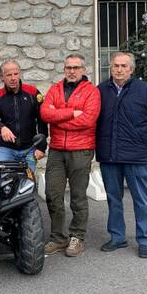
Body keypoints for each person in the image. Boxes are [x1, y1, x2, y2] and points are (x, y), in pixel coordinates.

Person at [96, 52, 147, 259]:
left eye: (123, 66)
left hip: (137, 157)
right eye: (115, 65)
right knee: (113, 199)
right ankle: (117, 237)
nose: (119, 69)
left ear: (131, 69)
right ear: (110, 68)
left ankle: (145, 240)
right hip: (109, 156)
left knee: (141, 200)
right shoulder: (101, 91)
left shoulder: (144, 91)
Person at [40, 54, 101, 257]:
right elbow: (45, 114)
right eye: (68, 67)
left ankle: (77, 237)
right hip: (57, 150)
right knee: (52, 194)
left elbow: (87, 120)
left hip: (81, 150)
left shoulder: (92, 92)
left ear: (83, 69)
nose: (72, 71)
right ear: (64, 69)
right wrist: (70, 113)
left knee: (78, 197)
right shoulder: (55, 89)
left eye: (76, 67)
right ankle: (58, 238)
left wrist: (58, 116)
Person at [0, 59, 48, 172]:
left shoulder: (33, 92)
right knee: (0, 179)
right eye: (8, 75)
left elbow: (42, 120)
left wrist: (41, 147)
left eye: (16, 74)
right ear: (2, 77)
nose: (13, 78)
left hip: (29, 148)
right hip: (7, 148)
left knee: (29, 184)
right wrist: (2, 128)